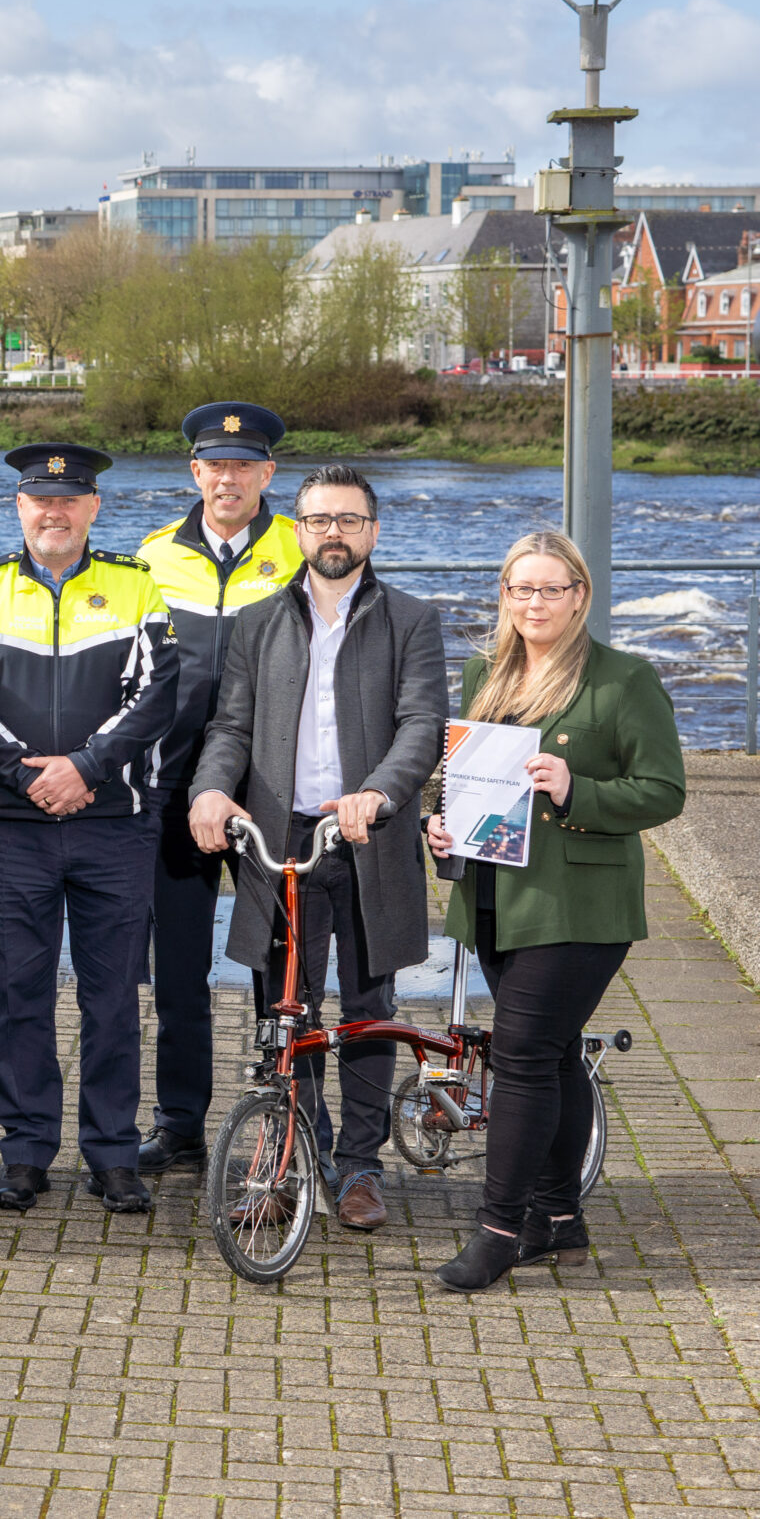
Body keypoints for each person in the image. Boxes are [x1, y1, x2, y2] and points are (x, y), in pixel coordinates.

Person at [423, 531, 684, 1291]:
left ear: (580, 595)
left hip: (580, 905)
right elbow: (458, 784)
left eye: (550, 589)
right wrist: (438, 828)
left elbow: (664, 790)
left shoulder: (623, 680)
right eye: (520, 589)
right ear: (504, 595)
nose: (534, 603)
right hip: (499, 898)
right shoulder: (484, 672)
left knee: (522, 1053)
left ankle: (500, 1228)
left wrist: (575, 789)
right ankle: (560, 1221)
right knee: (557, 1054)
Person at [188, 465, 447, 1233]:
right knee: (284, 1010)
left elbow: (422, 723)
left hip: (367, 838)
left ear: (373, 530)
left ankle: (362, 1168)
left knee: (369, 1010)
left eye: (349, 518)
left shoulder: (411, 618)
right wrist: (209, 789)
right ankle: (291, 1159)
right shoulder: (259, 622)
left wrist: (378, 792)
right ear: (296, 530)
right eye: (319, 519)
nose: (334, 531)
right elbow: (230, 726)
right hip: (283, 844)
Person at [0, 443, 178, 1215]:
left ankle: (112, 1154)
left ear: (93, 507)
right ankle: (25, 1151)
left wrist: (86, 766)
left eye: (70, 498)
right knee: (17, 995)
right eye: (40, 498)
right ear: (19, 507)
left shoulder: (137, 586)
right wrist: (26, 774)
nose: (55, 511)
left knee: (112, 998)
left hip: (115, 827)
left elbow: (157, 693)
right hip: (14, 826)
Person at [134, 403, 302, 1179]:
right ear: (194, 471)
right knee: (178, 968)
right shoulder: (152, 556)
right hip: (176, 790)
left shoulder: (306, 551)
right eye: (215, 463)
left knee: (283, 966)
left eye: (244, 464)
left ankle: (293, 1129)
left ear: (268, 474)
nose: (228, 477)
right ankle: (180, 1125)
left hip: (273, 788)